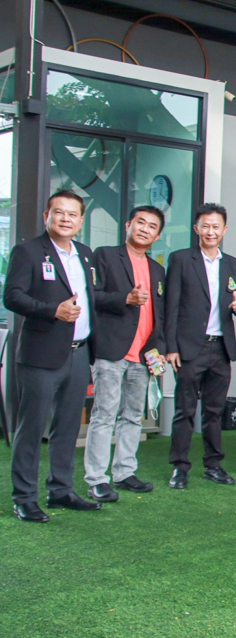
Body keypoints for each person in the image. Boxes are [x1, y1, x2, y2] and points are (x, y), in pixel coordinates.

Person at [4, 191, 101, 522]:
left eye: (72, 214)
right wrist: (52, 311)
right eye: (59, 212)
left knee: (68, 426)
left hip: (79, 353)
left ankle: (60, 490)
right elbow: (12, 296)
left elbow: (92, 298)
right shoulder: (28, 252)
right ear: (47, 216)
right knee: (32, 427)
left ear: (81, 221)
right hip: (41, 355)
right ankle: (24, 498)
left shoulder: (85, 255)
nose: (65, 219)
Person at [83, 205, 168, 503]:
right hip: (111, 351)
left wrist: (159, 352)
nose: (145, 229)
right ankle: (97, 479)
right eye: (140, 222)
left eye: (152, 226)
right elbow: (91, 296)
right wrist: (125, 299)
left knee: (133, 416)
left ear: (157, 236)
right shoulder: (105, 255)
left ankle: (124, 472)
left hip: (144, 355)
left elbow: (159, 315)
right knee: (104, 415)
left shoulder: (158, 270)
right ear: (128, 225)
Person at [164, 203, 236, 489]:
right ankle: (179, 467)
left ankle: (213, 465)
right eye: (206, 226)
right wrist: (171, 347)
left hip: (221, 348)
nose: (211, 231)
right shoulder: (180, 259)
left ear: (224, 230)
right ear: (196, 229)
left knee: (214, 411)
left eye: (216, 226)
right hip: (190, 348)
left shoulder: (233, 264)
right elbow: (171, 305)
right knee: (185, 410)